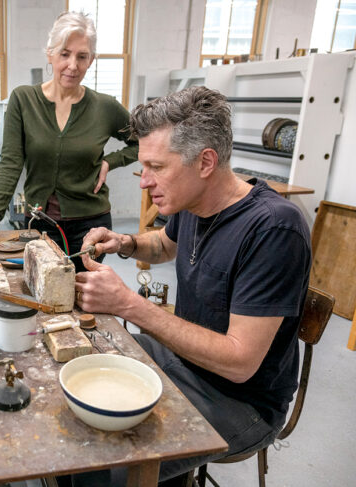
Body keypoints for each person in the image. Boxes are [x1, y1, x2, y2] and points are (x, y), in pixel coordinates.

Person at [71, 86, 312, 485]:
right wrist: (127, 243)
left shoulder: (274, 230)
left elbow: (239, 362)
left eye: (156, 167)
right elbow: (166, 244)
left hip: (239, 401)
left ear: (205, 162)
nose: (144, 181)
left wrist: (129, 304)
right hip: (181, 361)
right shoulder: (195, 203)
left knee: (97, 469)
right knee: (78, 366)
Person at [0, 11, 138, 272]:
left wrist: (110, 161)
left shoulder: (105, 106)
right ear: (50, 54)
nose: (73, 65)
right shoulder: (23, 100)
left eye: (82, 56)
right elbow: (11, 162)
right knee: (44, 290)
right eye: (65, 54)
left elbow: (143, 141)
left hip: (91, 225)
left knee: (81, 295)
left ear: (91, 60)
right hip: (40, 222)